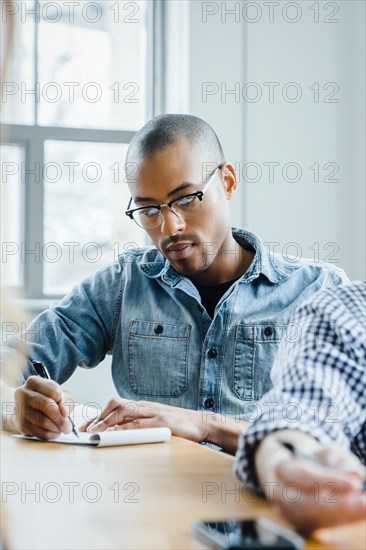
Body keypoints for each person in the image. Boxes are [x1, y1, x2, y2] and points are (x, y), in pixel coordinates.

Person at [1, 114, 348, 453]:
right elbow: (10, 365)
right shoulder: (123, 284)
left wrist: (204, 424)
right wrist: (15, 408)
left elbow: (332, 436)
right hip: (152, 507)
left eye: (185, 199)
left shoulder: (317, 291)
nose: (169, 228)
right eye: (149, 210)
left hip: (264, 508)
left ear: (226, 182)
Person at [234, 281, 366, 533]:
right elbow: (301, 408)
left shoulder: (316, 278)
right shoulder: (347, 310)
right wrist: (283, 457)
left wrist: (207, 425)